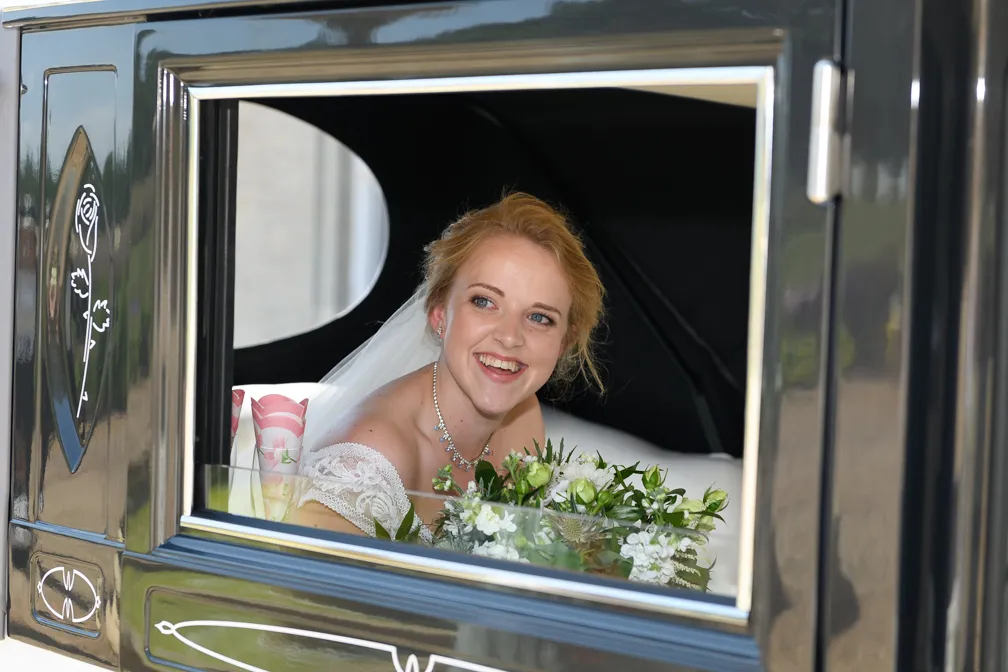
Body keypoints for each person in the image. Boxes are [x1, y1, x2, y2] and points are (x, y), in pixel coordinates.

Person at [292, 193, 605, 541]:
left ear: (563, 342)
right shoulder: (369, 458)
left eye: (539, 317)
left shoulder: (523, 418)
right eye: (484, 302)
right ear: (439, 315)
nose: (510, 337)